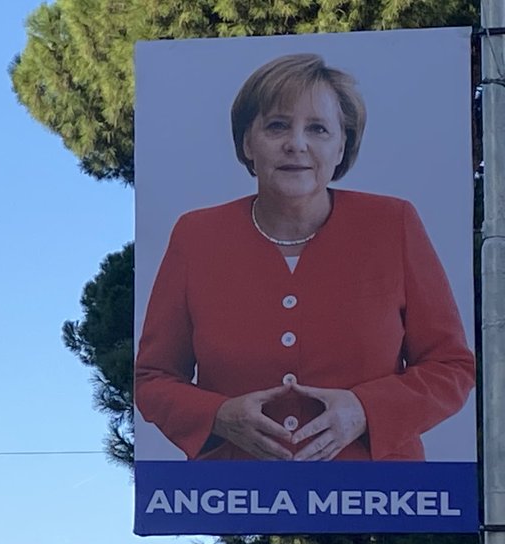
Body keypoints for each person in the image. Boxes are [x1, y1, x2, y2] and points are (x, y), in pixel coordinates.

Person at [135, 53, 475, 462]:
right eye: (277, 125)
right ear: (247, 142)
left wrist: (365, 411)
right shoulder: (195, 235)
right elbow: (153, 379)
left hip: (382, 501)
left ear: (341, 146)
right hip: (232, 499)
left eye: (318, 128)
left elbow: (451, 367)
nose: (296, 143)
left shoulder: (393, 224)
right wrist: (218, 415)